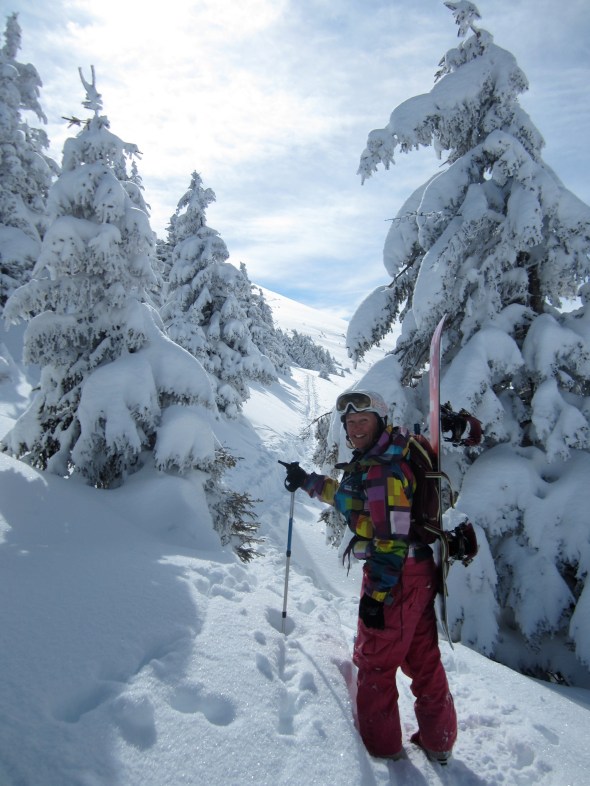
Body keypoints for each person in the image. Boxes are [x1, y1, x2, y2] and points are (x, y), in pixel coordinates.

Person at [281, 389, 457, 763]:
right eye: (350, 422)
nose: (356, 428)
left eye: (363, 420)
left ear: (380, 421)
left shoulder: (383, 471)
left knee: (375, 663)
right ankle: (438, 740)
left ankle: (383, 752)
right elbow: (350, 498)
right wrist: (308, 480)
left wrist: (377, 597)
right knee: (423, 659)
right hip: (418, 572)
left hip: (395, 578)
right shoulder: (386, 454)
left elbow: (390, 539)